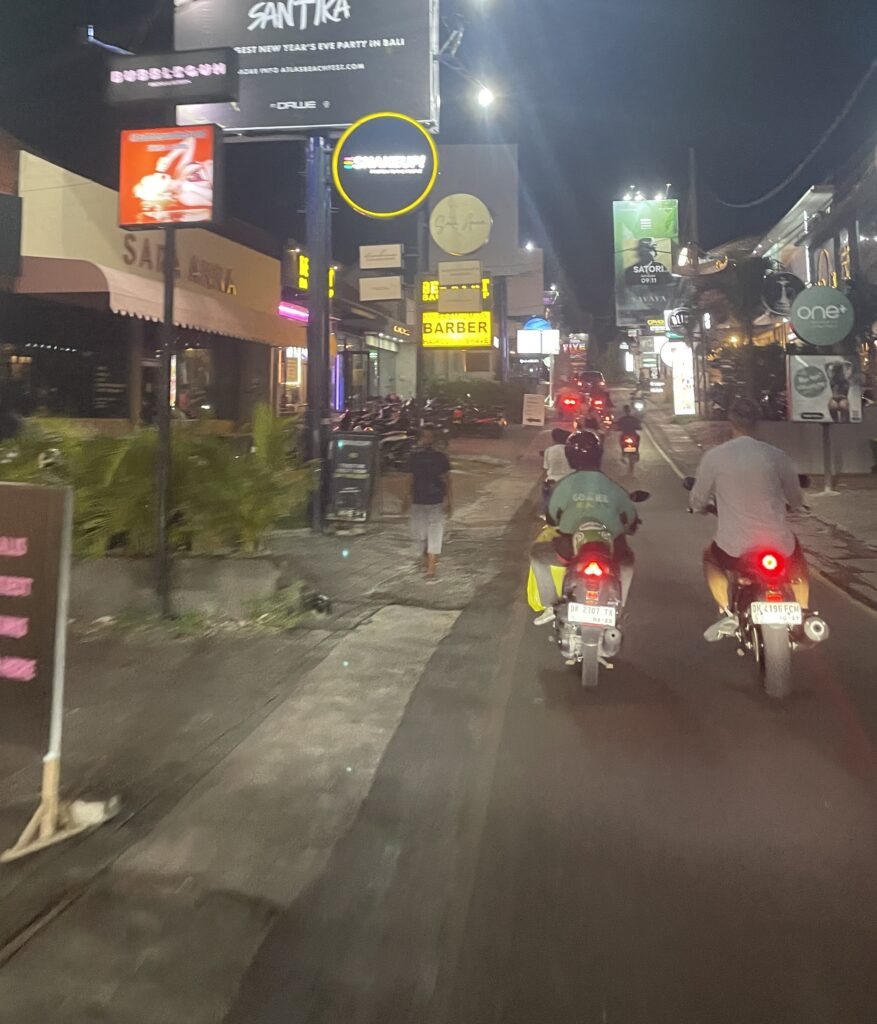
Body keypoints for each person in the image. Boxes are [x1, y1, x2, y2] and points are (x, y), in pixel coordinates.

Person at [690, 398, 810, 641]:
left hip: (734, 547)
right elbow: (796, 497)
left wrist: (699, 507)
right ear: (758, 424)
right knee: (797, 563)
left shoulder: (715, 457)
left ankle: (726, 611)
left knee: (710, 558)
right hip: (778, 544)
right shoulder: (776, 456)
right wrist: (791, 504)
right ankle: (803, 611)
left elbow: (697, 499)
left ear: (730, 423)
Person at [530, 431, 639, 624]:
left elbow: (553, 516)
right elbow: (630, 517)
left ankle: (551, 604)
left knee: (538, 555)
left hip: (569, 548)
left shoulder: (564, 485)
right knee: (627, 563)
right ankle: (619, 608)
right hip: (610, 548)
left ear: (570, 457)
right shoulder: (612, 486)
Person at [403, 427, 452, 581]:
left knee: (434, 533)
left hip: (435, 501)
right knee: (420, 535)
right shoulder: (414, 457)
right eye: (425, 437)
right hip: (418, 501)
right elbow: (409, 479)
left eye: (430, 437)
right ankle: (429, 559)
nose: (427, 440)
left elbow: (448, 480)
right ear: (420, 439)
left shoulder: (441, 458)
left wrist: (450, 501)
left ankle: (431, 569)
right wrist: (406, 498)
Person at [542, 428, 572, 514]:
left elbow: (545, 468)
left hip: (552, 482)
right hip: (568, 482)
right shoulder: (570, 450)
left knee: (547, 503)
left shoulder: (549, 450)